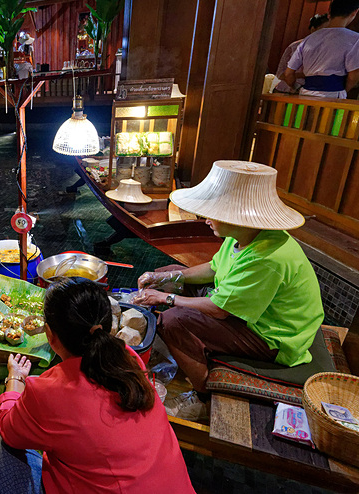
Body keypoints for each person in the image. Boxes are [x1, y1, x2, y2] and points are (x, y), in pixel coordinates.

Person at [135, 161, 324, 419]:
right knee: (170, 276)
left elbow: (219, 310)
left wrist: (167, 298)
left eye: (213, 214)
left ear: (237, 217)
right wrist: (166, 277)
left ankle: (203, 396)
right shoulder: (245, 235)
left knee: (173, 320)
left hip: (274, 336)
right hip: (242, 310)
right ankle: (181, 349)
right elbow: (214, 269)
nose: (206, 220)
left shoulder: (267, 258)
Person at [0, 278, 194, 494]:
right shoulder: (128, 357)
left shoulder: (47, 391)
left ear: (49, 334)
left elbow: (8, 430)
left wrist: (15, 380)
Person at [282, 0, 359, 98]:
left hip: (305, 94)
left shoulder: (309, 38)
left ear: (329, 12)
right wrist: (343, 90)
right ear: (355, 12)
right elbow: (354, 75)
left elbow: (288, 73)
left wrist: (296, 88)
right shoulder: (355, 39)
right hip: (333, 95)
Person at [273, 14, 329, 94]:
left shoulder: (329, 50)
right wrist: (301, 76)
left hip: (312, 92)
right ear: (313, 29)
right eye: (324, 31)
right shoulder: (296, 46)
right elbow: (281, 74)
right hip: (286, 91)